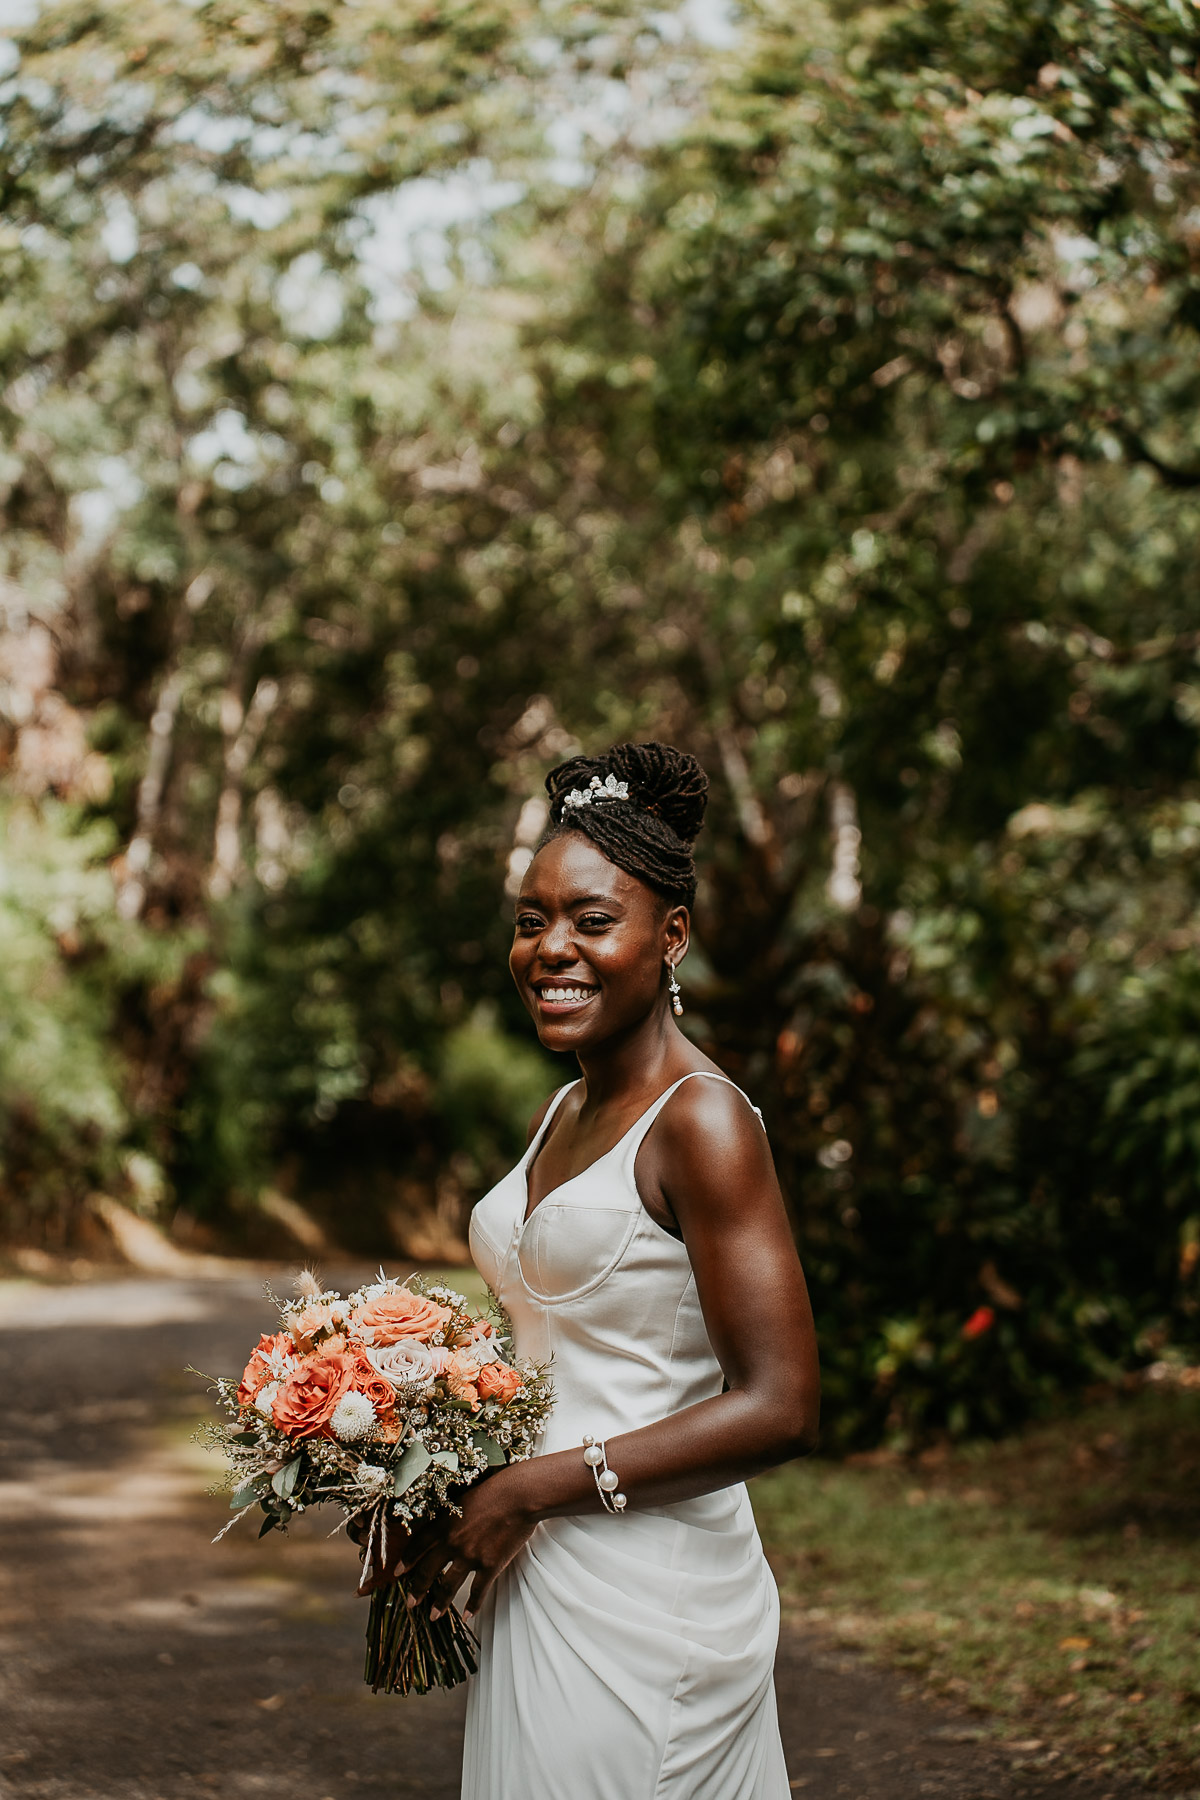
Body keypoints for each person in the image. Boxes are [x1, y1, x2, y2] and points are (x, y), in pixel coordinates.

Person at [370, 740, 819, 1799]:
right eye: (531, 921)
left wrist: (528, 1489)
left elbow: (783, 1406)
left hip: (646, 1594)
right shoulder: (566, 1109)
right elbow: (556, 1343)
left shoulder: (702, 1122)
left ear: (672, 938)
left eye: (591, 921)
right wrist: (418, 1467)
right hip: (541, 1571)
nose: (550, 949)